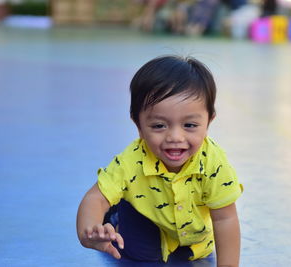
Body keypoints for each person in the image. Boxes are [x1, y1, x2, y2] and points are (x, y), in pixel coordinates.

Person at [76, 55, 243, 266]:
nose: (175, 137)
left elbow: (225, 218)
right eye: (159, 126)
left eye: (189, 125)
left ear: (209, 121)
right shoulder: (132, 160)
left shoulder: (214, 163)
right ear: (138, 125)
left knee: (192, 253)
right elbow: (95, 198)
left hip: (193, 236)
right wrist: (90, 232)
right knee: (136, 250)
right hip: (146, 216)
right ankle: (116, 217)